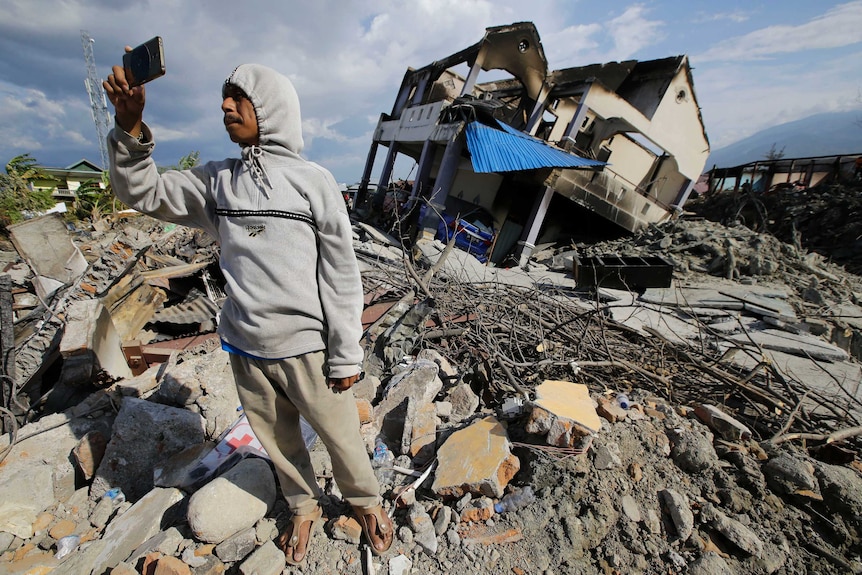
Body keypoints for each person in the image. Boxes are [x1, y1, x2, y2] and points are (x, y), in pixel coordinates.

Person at [103, 57, 393, 566]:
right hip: (246, 348)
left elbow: (342, 273)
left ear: (271, 108)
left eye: (238, 97)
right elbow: (143, 192)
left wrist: (346, 353)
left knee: (341, 435)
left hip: (309, 350)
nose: (225, 106)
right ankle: (302, 506)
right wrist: (129, 129)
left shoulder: (313, 181)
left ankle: (364, 500)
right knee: (278, 441)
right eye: (224, 96)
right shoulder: (220, 183)